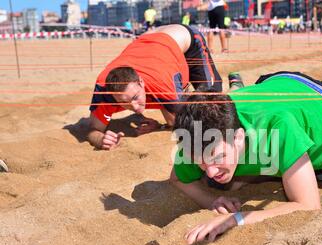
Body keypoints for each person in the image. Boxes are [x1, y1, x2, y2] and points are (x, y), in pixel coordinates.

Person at [170, 71, 322, 244]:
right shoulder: (196, 138)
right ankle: (237, 89)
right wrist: (211, 200)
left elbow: (309, 205)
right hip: (271, 83)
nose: (210, 170)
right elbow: (176, 178)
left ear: (237, 137)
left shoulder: (277, 127)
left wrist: (234, 219)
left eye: (217, 157)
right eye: (200, 162)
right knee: (224, 181)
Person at [87, 24, 222, 150]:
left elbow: (184, 124)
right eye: (123, 102)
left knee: (214, 102)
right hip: (152, 49)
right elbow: (93, 130)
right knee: (173, 115)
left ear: (141, 82)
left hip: (183, 39)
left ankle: (235, 84)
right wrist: (101, 139)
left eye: (135, 97)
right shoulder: (104, 89)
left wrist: (165, 124)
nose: (134, 108)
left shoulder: (163, 83)